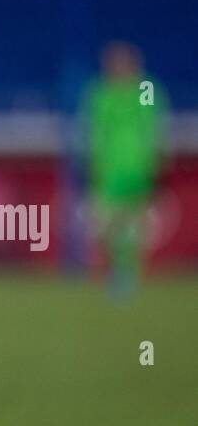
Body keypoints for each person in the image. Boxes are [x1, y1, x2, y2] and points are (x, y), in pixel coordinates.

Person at [82, 41, 169, 297]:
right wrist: (91, 162)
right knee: (105, 227)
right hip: (108, 170)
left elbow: (153, 126)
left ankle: (128, 275)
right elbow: (94, 132)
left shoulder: (146, 88)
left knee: (134, 227)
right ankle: (115, 272)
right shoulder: (101, 93)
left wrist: (155, 162)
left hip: (138, 169)